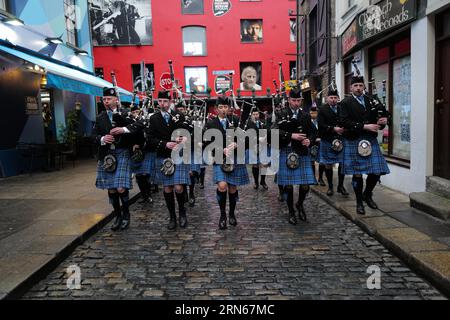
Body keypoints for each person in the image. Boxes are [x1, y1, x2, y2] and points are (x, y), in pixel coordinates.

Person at [339, 75, 390, 215]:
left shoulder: (372, 100)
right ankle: (359, 202)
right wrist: (365, 126)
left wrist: (384, 120)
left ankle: (367, 194)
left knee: (376, 171)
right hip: (353, 140)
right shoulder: (345, 103)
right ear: (350, 88)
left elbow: (385, 114)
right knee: (357, 175)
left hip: (370, 140)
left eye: (361, 85)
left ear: (364, 87)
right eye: (355, 86)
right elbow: (343, 121)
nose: (358, 88)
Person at [203, 96, 250, 230]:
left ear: (229, 108)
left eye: (226, 107)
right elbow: (206, 143)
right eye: (221, 107)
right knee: (222, 186)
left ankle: (231, 214)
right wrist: (220, 149)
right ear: (216, 109)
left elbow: (248, 139)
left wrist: (237, 143)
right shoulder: (211, 124)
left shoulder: (237, 121)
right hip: (219, 158)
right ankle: (223, 215)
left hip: (235, 158)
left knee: (233, 188)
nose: (224, 110)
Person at [272, 88, 317, 225]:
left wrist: (310, 140)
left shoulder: (305, 115)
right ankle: (291, 211)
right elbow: (273, 132)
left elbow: (313, 132)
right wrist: (291, 136)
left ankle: (300, 204)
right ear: (289, 100)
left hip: (302, 152)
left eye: (298, 100)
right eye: (294, 100)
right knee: (289, 187)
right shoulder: (281, 113)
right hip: (287, 150)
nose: (296, 103)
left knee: (305, 186)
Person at [93, 87, 134, 231]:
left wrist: (124, 129)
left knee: (121, 187)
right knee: (111, 189)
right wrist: (103, 138)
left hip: (122, 152)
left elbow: (137, 130)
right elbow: (93, 136)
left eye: (108, 99)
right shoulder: (100, 117)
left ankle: (126, 214)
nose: (106, 102)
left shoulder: (125, 114)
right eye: (104, 99)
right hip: (106, 155)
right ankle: (117, 216)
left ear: (116, 100)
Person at [317, 88, 349, 197]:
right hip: (327, 140)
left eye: (335, 98)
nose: (333, 100)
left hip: (341, 140)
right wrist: (333, 128)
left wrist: (344, 129)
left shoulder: (342, 108)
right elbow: (321, 125)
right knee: (328, 164)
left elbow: (346, 121)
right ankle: (330, 186)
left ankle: (340, 186)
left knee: (342, 163)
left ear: (338, 98)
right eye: (331, 97)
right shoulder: (322, 110)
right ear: (327, 98)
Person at [246, 108, 268, 190]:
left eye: (257, 114)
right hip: (253, 146)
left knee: (264, 164)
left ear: (259, 114)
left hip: (263, 145)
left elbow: (267, 130)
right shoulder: (248, 123)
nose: (256, 116)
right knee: (255, 165)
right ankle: (256, 182)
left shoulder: (262, 122)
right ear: (251, 115)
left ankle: (263, 181)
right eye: (254, 114)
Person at [309, 106, 326, 186]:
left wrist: (322, 138)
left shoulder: (321, 121)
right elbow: (306, 133)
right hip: (311, 144)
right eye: (312, 113)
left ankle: (321, 178)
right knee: (312, 161)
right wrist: (314, 139)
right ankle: (313, 178)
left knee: (322, 161)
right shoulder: (307, 121)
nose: (313, 114)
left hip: (321, 143)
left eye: (315, 113)